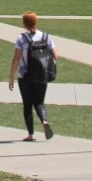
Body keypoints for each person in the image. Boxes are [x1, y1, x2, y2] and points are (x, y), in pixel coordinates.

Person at [8, 11, 57, 141]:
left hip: (25, 76)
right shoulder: (46, 37)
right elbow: (55, 56)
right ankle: (44, 121)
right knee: (40, 102)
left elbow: (16, 59)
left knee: (27, 104)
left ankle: (31, 134)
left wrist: (11, 76)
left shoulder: (22, 38)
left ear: (24, 23)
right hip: (42, 76)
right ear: (36, 22)